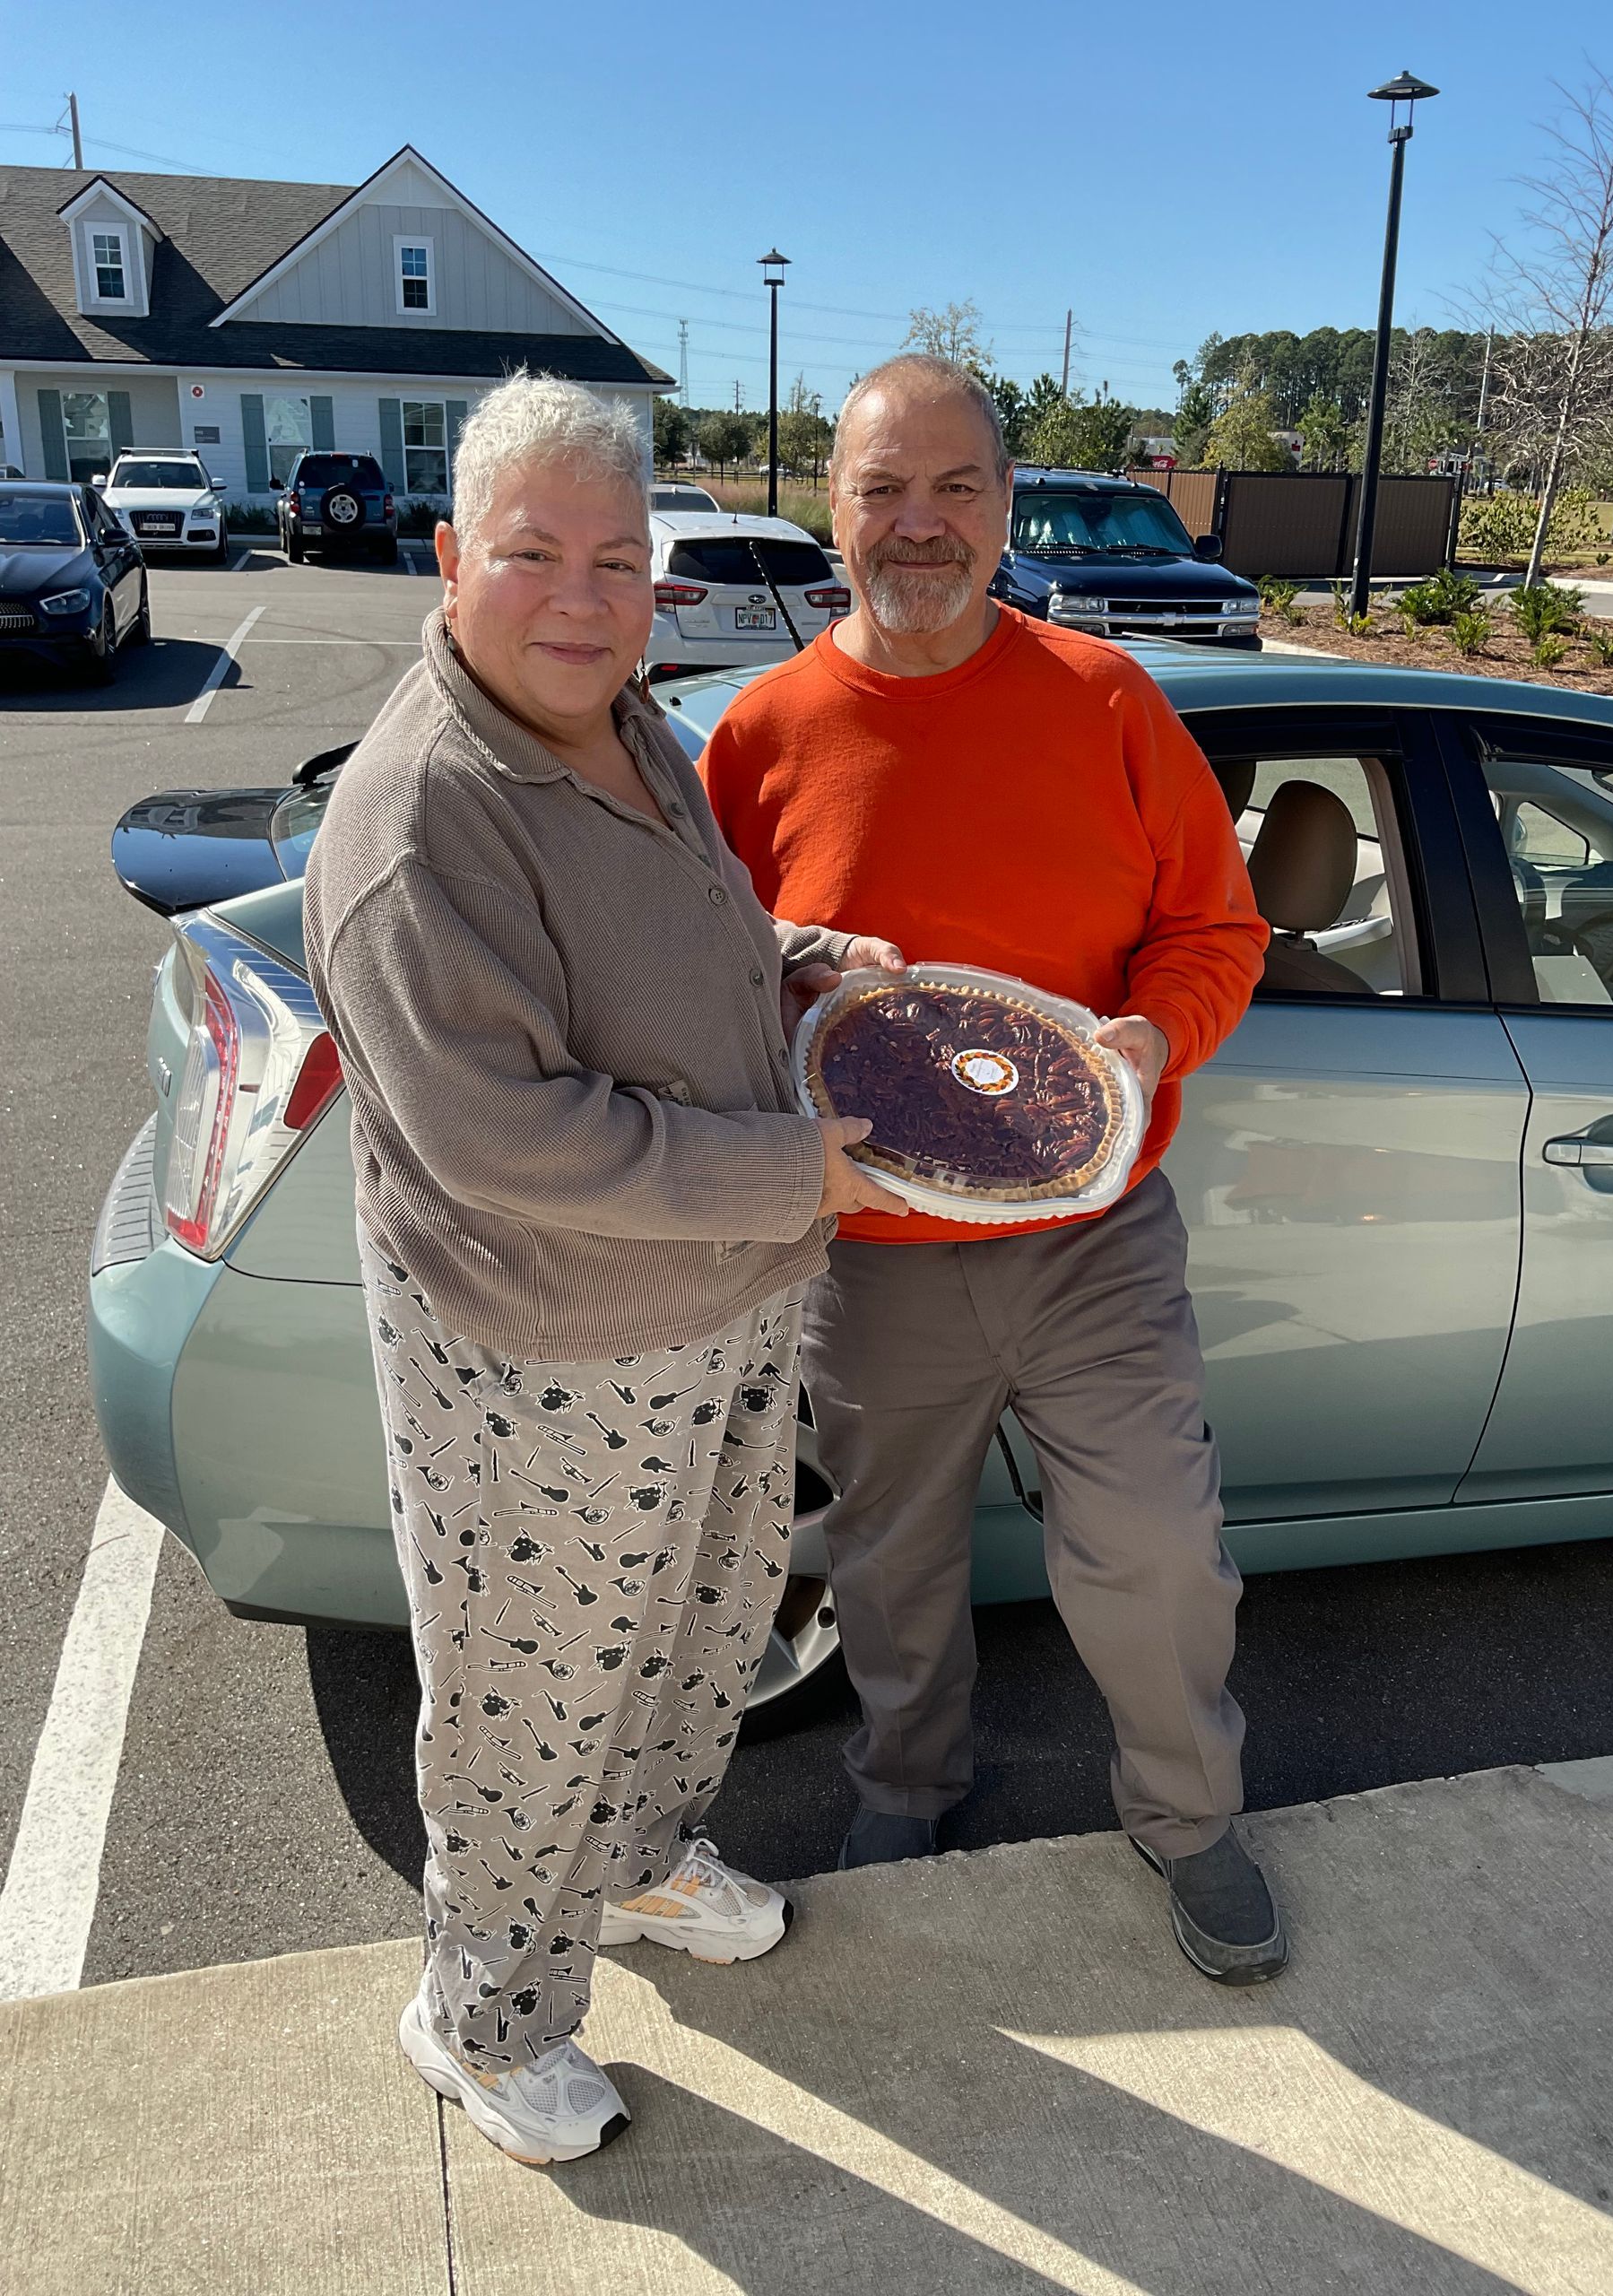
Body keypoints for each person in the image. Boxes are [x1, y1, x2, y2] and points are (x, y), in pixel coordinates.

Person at [302, 375, 906, 2166]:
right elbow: (511, 1135)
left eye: (618, 558)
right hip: (551, 1344)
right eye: (534, 553)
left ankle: (639, 1863)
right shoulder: (421, 821)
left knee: (705, 1626)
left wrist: (794, 953)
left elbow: (676, 922)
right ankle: (480, 2012)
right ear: (450, 557)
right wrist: (795, 1159)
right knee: (532, 1687)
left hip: (718, 1294)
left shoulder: (627, 724)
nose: (581, 595)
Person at [700, 354, 1286, 1986]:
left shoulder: (1105, 701)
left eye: (956, 487)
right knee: (890, 1566)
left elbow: (1213, 932)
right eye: (885, 488)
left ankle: (1191, 1818)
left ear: (1006, 507)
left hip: (1093, 1238)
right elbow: (691, 976)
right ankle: (907, 1792)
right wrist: (784, 990)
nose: (921, 523)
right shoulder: (757, 739)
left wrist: (1153, 1045)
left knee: (1159, 1544)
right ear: (833, 510)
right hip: (871, 1250)